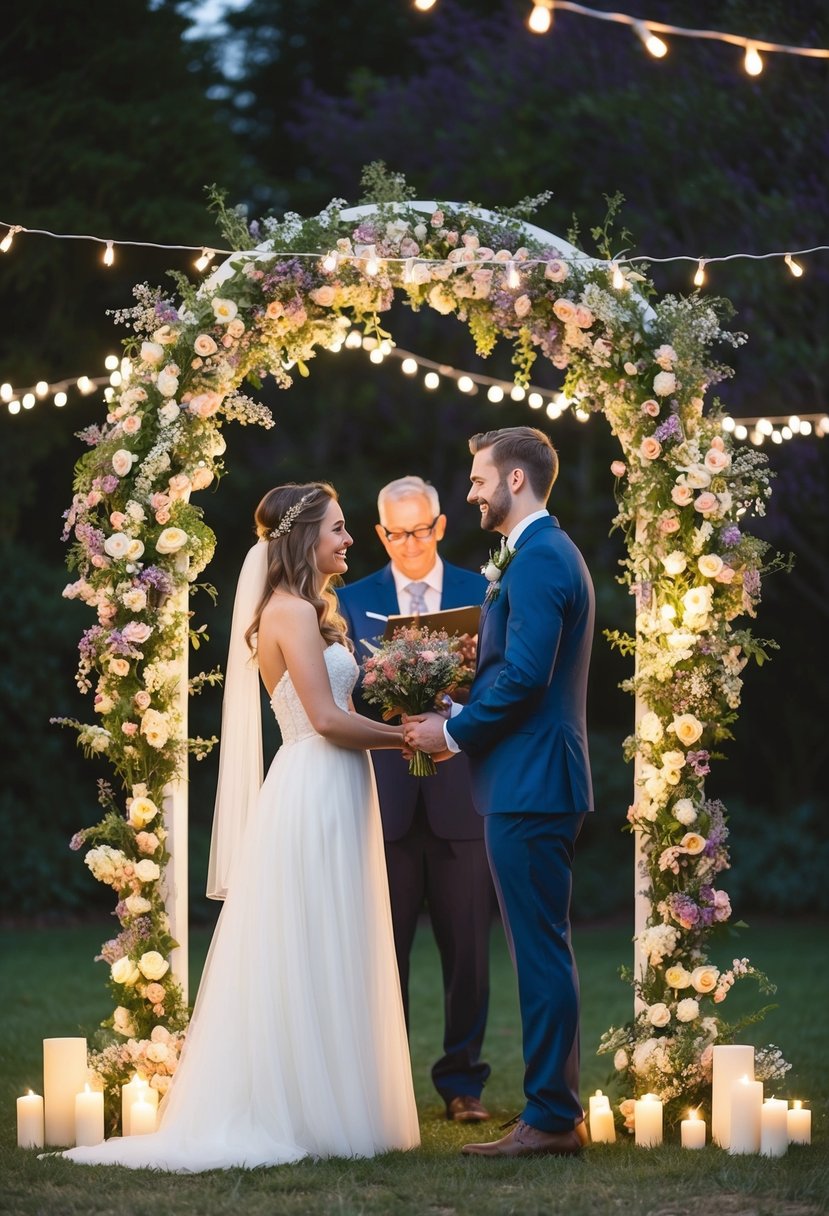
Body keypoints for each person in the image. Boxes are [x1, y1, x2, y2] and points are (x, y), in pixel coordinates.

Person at [59, 483, 420, 1171]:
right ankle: (303, 1109)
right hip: (314, 784)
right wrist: (405, 738)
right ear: (303, 536)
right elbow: (323, 718)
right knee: (310, 938)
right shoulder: (286, 611)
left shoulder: (313, 610)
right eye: (339, 530)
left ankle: (338, 1100)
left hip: (337, 784)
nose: (349, 542)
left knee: (336, 936)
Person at [404, 428, 595, 1159]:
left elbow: (525, 678)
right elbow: (507, 677)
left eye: (479, 479)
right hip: (524, 779)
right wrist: (452, 710)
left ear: (515, 479)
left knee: (539, 953)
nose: (471, 492)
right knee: (540, 948)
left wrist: (451, 736)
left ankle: (550, 1119)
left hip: (532, 783)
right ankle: (552, 1111)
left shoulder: (542, 558)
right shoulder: (535, 556)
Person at [337, 476, 495, 1123]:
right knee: (383, 950)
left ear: (439, 526)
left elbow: (502, 685)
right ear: (379, 534)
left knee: (468, 954)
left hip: (460, 794)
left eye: (420, 528)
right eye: (396, 532)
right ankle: (388, 1084)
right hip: (385, 796)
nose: (409, 542)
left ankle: (462, 1084)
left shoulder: (481, 591)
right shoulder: (349, 600)